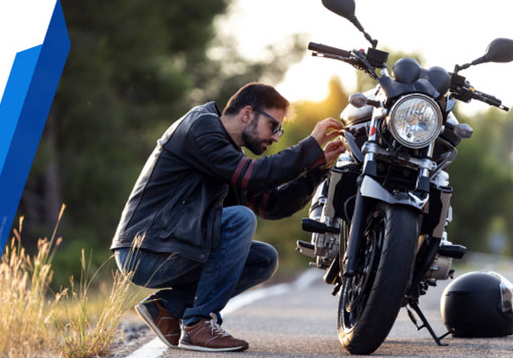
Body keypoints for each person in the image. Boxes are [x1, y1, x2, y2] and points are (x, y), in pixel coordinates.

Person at [111, 82, 345, 352]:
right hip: (145, 250)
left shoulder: (230, 155)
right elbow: (254, 175)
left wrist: (317, 169)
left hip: (174, 245)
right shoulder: (200, 126)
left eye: (279, 130)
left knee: (263, 259)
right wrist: (310, 145)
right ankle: (198, 323)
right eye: (273, 126)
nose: (276, 137)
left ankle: (167, 307)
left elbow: (272, 205)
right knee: (240, 219)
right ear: (247, 114)